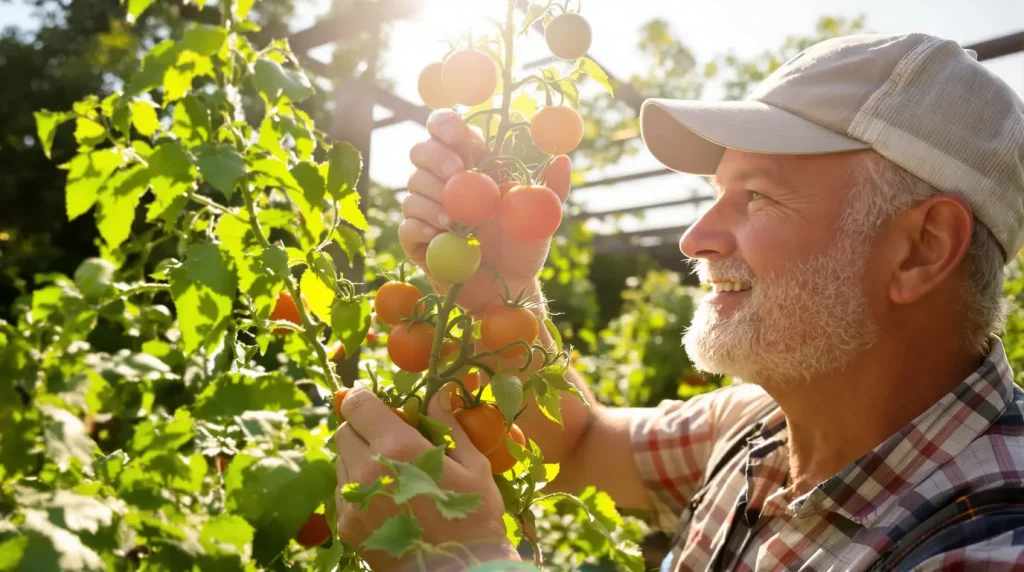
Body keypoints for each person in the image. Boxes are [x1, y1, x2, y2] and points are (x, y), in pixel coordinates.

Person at [334, 32, 1024, 571]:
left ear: (922, 248)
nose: (695, 239)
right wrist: (501, 288)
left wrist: (468, 566)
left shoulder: (993, 543)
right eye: (712, 196)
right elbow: (578, 449)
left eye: (754, 196)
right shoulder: (764, 428)